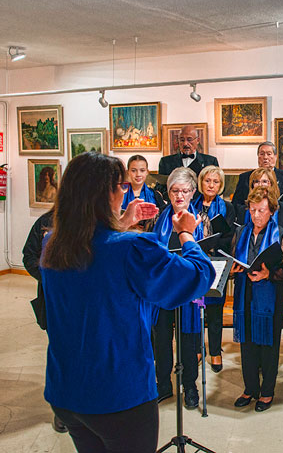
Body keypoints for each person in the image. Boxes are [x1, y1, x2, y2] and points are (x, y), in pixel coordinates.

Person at [39, 152, 214, 453]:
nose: (125, 190)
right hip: (118, 393)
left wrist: (121, 222)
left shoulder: (53, 243)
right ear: (104, 192)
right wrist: (186, 232)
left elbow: (96, 251)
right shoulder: (132, 247)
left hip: (67, 390)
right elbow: (197, 276)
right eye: (120, 185)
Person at [232, 186, 283, 412]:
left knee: (268, 346)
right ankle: (250, 388)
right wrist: (233, 269)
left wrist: (269, 273)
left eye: (262, 210)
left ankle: (267, 391)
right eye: (253, 210)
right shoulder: (241, 233)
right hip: (244, 293)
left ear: (271, 211)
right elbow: (232, 261)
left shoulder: (281, 234)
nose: (256, 215)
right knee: (247, 345)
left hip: (270, 297)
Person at [150, 167, 206, 409]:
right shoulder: (157, 218)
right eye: (175, 190)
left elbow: (205, 253)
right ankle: (163, 384)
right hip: (163, 289)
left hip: (187, 291)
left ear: (193, 192)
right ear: (169, 192)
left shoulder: (200, 219)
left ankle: (190, 386)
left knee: (188, 340)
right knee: (162, 338)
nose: (179, 196)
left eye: (184, 191)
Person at [22, 209, 68, 433]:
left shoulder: (93, 223)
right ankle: (60, 410)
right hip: (52, 301)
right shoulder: (46, 222)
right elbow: (28, 255)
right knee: (60, 355)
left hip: (82, 304)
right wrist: (48, 276)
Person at [191, 165, 236, 373]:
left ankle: (216, 351)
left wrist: (211, 244)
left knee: (215, 310)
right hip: (194, 262)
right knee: (196, 308)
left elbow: (229, 237)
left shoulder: (228, 207)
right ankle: (199, 349)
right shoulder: (191, 204)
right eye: (208, 181)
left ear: (221, 185)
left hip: (217, 262)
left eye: (215, 182)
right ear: (201, 183)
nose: (211, 185)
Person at [231, 141, 283, 215]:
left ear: (275, 156)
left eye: (269, 154)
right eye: (262, 154)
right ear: (258, 156)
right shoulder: (245, 177)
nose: (265, 157)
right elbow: (236, 205)